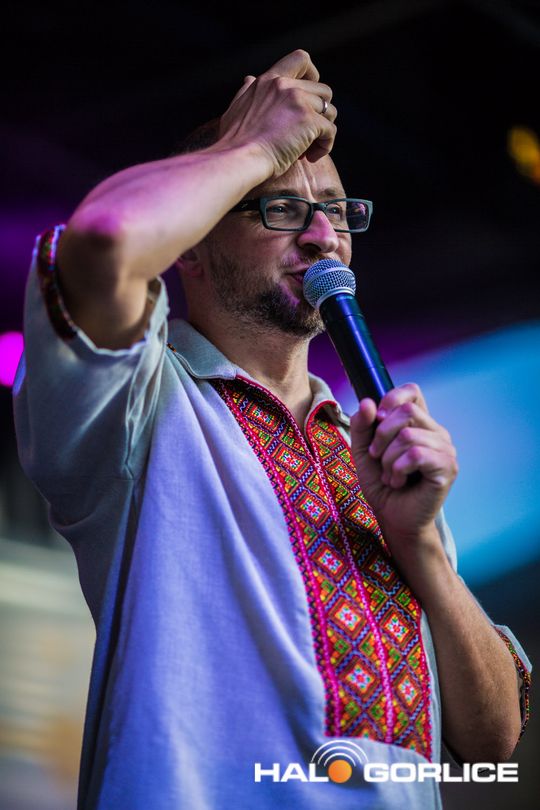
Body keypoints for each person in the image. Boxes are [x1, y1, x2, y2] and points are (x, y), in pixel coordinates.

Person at [14, 49, 530, 810]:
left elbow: (493, 738)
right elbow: (103, 244)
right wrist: (248, 147)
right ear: (191, 242)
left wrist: (420, 545)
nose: (323, 236)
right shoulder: (141, 406)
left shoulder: (370, 449)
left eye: (337, 211)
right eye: (279, 207)